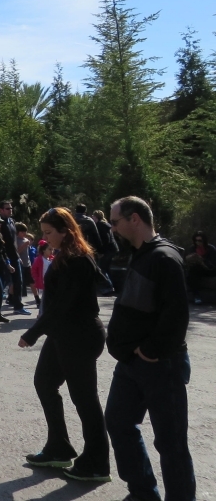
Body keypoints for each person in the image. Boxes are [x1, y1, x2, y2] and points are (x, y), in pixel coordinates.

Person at [105, 196, 194, 501]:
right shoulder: (141, 254)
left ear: (134, 219)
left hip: (159, 364)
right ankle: (143, 493)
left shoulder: (165, 258)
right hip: (132, 363)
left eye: (114, 222)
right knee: (117, 421)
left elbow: (177, 316)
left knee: (170, 443)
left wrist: (151, 351)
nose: (112, 228)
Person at [18, 207, 110, 483]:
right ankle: (59, 447)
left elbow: (61, 306)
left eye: (48, 233)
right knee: (44, 383)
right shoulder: (66, 256)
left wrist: (32, 333)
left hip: (79, 336)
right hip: (63, 334)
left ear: (65, 231)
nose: (43, 238)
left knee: (85, 399)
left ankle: (97, 463)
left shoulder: (78, 260)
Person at [0, 201, 31, 315]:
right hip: (4, 257)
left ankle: (18, 306)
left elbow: (14, 241)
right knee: (4, 282)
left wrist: (17, 255)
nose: (10, 210)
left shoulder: (12, 221)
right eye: (7, 208)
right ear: (1, 210)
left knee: (18, 282)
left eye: (11, 208)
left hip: (14, 256)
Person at [184, 230, 216, 302]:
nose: (198, 242)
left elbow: (213, 265)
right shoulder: (193, 248)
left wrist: (202, 260)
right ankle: (196, 295)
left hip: (209, 270)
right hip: (197, 270)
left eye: (200, 240)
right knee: (192, 271)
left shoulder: (211, 249)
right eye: (196, 240)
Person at [92, 209, 119, 291]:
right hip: (112, 249)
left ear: (96, 217)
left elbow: (105, 240)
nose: (92, 218)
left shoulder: (100, 226)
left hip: (107, 250)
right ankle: (113, 286)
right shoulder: (105, 224)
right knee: (106, 268)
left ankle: (109, 286)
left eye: (93, 216)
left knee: (101, 268)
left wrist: (102, 252)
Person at [31, 241, 53, 315]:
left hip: (51, 282)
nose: (51, 251)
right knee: (44, 299)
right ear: (44, 250)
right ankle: (41, 314)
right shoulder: (39, 259)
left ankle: (44, 313)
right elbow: (33, 270)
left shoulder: (52, 259)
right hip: (43, 282)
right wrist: (37, 279)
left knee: (48, 299)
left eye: (52, 249)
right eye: (49, 249)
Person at [15, 223, 35, 303]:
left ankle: (36, 298)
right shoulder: (16, 240)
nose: (24, 234)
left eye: (25, 232)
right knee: (18, 283)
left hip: (28, 264)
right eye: (22, 232)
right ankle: (13, 297)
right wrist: (24, 245)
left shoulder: (26, 240)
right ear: (18, 232)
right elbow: (17, 252)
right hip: (20, 264)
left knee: (32, 282)